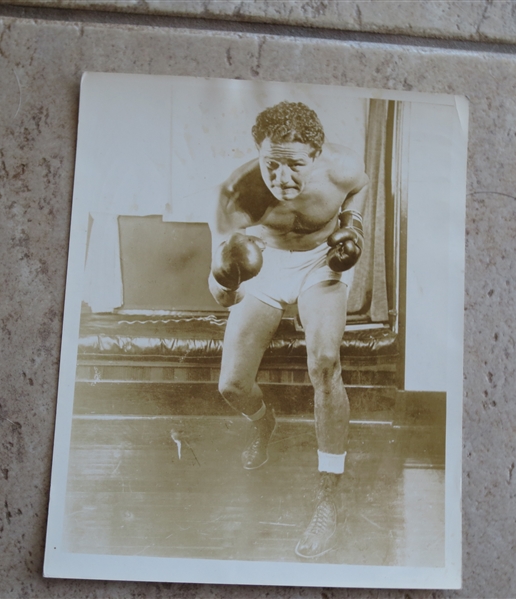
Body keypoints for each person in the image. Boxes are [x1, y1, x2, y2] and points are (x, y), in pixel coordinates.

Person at [208, 101, 369, 558]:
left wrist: (350, 224)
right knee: (233, 386)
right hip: (265, 267)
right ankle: (264, 423)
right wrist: (227, 276)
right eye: (270, 163)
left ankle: (328, 495)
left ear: (316, 155)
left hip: (320, 263)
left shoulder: (344, 169)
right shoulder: (234, 196)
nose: (280, 178)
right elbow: (217, 291)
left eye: (294, 165)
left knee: (324, 362)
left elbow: (360, 188)